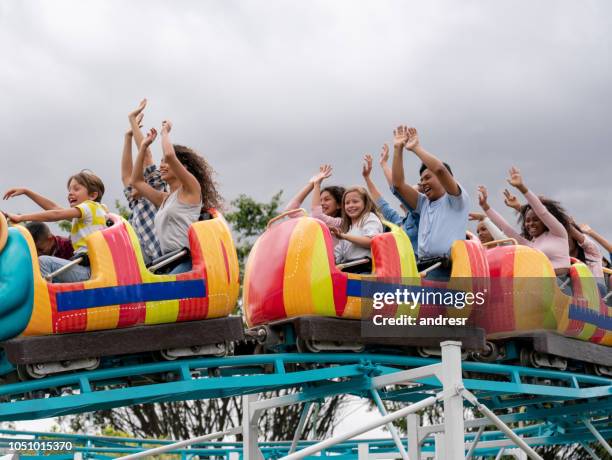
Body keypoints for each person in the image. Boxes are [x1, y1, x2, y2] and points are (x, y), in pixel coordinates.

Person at [131, 121, 221, 274]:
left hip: (187, 261)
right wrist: (143, 147)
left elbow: (169, 154)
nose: (162, 166)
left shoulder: (191, 189)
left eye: (166, 163)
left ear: (182, 167)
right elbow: (136, 181)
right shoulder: (164, 199)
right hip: (167, 261)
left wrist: (165, 132)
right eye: (161, 162)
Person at [390, 125, 470, 275]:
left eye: (427, 177)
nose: (423, 183)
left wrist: (416, 148)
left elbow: (440, 169)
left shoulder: (456, 199)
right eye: (421, 180)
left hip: (448, 269)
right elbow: (398, 185)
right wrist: (397, 149)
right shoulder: (424, 203)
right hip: (425, 267)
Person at [4, 171, 108, 282]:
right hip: (93, 269)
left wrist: (21, 218)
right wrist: (27, 192)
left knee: (43, 262)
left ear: (92, 195)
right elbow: (54, 208)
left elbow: (56, 215)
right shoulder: (95, 213)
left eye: (76, 189)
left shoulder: (89, 207)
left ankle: (41, 298)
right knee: (53, 273)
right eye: (70, 190)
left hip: (89, 271)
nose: (70, 193)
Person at [479, 168, 571, 280]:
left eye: (535, 220)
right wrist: (486, 208)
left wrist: (521, 187)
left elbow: (542, 211)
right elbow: (507, 230)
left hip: (563, 284)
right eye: (527, 221)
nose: (530, 224)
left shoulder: (558, 232)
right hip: (540, 286)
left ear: (544, 221)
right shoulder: (531, 245)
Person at [122, 99, 166, 264]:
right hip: (147, 262)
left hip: (162, 256)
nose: (132, 185)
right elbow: (126, 175)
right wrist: (127, 137)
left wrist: (133, 121)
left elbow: (146, 155)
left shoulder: (156, 187)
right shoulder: (136, 202)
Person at [362, 150, 419, 252]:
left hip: (422, 264)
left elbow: (397, 188)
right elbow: (381, 203)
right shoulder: (398, 221)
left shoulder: (421, 219)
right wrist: (367, 178)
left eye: (414, 193)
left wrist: (384, 165)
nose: (407, 195)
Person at [331, 185, 383, 272]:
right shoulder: (348, 229)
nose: (350, 205)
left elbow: (371, 242)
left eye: (355, 202)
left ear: (365, 203)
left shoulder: (369, 217)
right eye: (347, 203)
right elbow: (338, 255)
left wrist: (343, 236)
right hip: (348, 270)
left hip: (364, 270)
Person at [285, 165, 345, 234]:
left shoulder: (340, 222)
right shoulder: (314, 218)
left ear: (339, 204)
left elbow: (317, 215)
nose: (321, 203)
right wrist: (311, 184)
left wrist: (317, 184)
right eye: (320, 200)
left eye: (327, 199)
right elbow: (290, 211)